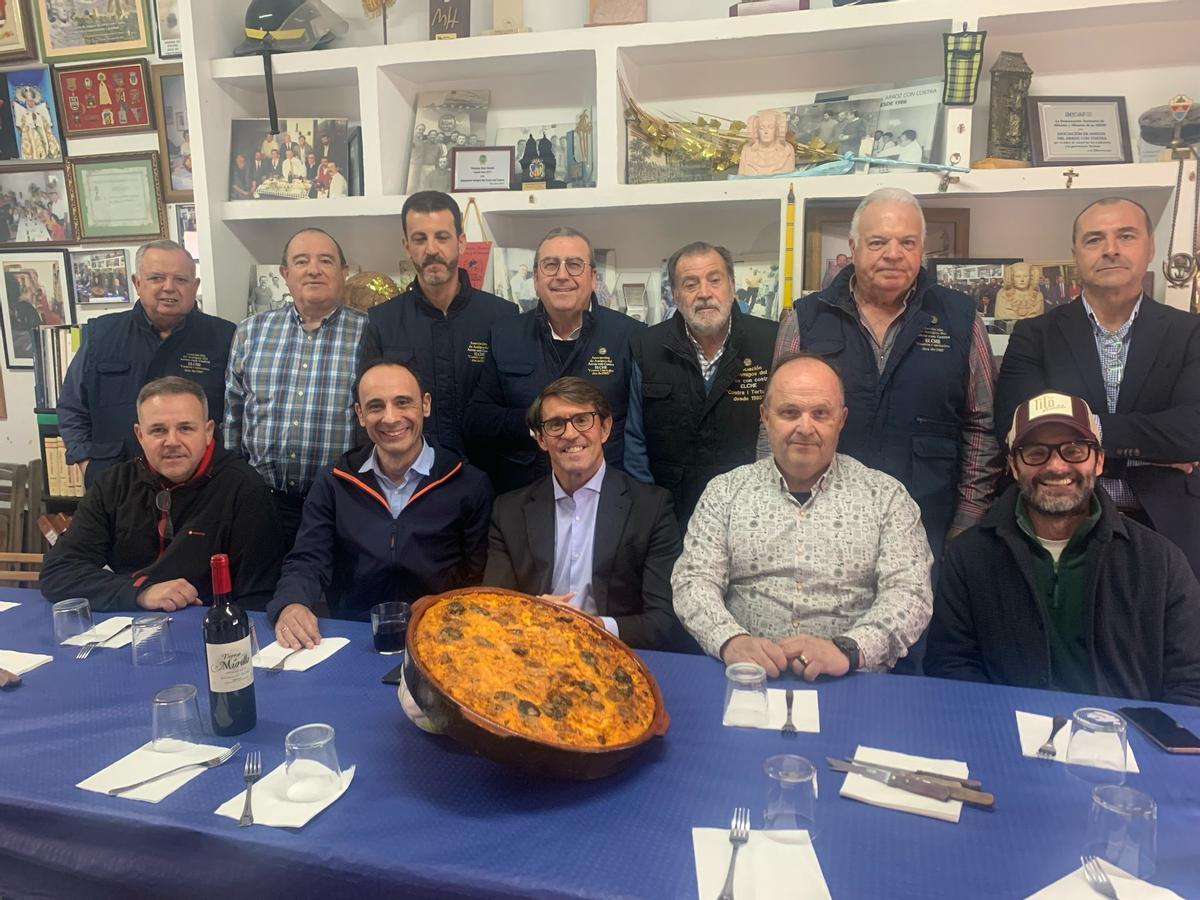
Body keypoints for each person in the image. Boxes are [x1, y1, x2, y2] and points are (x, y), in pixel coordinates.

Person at [765, 187, 1002, 564]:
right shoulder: (806, 319)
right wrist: (774, 509)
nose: (893, 254)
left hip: (930, 524)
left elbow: (983, 425)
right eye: (878, 242)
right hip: (820, 522)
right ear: (853, 247)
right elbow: (775, 423)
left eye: (907, 242)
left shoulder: (960, 319)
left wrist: (967, 519)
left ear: (922, 248)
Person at [926, 392, 1200, 705]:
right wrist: (1000, 724)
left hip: (1125, 732)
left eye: (1074, 451)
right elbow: (950, 665)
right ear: (1013, 466)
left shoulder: (1159, 561)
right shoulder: (970, 557)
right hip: (1001, 727)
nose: (1056, 467)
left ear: (1098, 461)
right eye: (1036, 453)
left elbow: (1191, 682)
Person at [673, 353, 933, 678]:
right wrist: (730, 641)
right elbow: (693, 581)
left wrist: (850, 650)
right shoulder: (724, 493)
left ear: (841, 419)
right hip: (744, 677)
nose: (805, 427)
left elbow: (911, 594)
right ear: (765, 417)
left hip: (853, 680)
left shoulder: (886, 497)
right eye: (790, 412)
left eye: (820, 413)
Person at [995, 197, 1200, 575]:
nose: (1110, 249)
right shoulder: (1034, 335)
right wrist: (1151, 448)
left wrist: (1077, 433)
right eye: (1094, 239)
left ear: (1150, 247)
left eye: (1126, 236)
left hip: (1170, 524)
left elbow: (1192, 431)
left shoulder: (1191, 333)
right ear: (1076, 254)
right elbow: (1016, 428)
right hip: (1058, 520)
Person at [269, 358, 492, 646]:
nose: (390, 418)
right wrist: (292, 603)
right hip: (353, 636)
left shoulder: (467, 483)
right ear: (360, 414)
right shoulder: (335, 481)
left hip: (442, 635)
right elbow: (308, 559)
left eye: (403, 403)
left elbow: (480, 579)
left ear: (425, 405)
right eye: (376, 406)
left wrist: (444, 604)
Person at [41, 377, 284, 612]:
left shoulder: (244, 489)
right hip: (130, 620)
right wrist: (141, 592)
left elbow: (257, 598)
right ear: (140, 435)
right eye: (158, 430)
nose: (172, 441)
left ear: (208, 431)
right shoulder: (112, 484)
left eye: (185, 428)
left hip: (206, 624)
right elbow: (58, 572)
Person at [484, 377, 689, 651]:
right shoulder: (508, 512)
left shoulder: (651, 508)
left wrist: (595, 626)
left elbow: (663, 622)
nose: (570, 434)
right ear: (541, 439)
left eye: (582, 420)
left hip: (616, 652)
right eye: (556, 424)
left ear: (605, 428)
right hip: (532, 648)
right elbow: (493, 609)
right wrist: (533, 612)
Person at [463, 226, 644, 494]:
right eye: (550, 265)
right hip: (525, 495)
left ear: (593, 277)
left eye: (574, 265)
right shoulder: (505, 336)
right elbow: (477, 418)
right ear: (536, 279)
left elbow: (642, 432)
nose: (562, 275)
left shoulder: (631, 336)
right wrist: (538, 422)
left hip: (607, 495)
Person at [224, 227, 367, 549]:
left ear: (344, 272)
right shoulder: (251, 332)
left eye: (326, 261)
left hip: (341, 504)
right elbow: (232, 417)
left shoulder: (368, 332)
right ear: (285, 274)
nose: (314, 270)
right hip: (262, 503)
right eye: (301, 261)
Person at [58, 240, 234, 490]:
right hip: (115, 481)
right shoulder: (102, 334)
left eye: (181, 279)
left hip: (201, 486)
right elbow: (72, 407)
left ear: (195, 286)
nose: (169, 287)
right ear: (137, 283)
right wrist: (86, 462)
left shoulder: (224, 337)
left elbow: (237, 413)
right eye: (157, 278)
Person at [625, 242, 778, 524]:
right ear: (675, 295)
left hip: (749, 512)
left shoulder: (770, 343)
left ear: (732, 286)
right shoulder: (646, 347)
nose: (705, 293)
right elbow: (635, 442)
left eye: (714, 280)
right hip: (668, 515)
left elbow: (781, 434)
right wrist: (649, 514)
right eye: (690, 284)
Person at [360, 191, 516, 459]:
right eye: (420, 239)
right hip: (412, 476)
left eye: (442, 237)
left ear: (461, 242)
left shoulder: (502, 316)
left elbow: (513, 404)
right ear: (407, 246)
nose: (431, 250)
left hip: (490, 474)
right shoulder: (382, 322)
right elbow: (368, 408)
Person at [738, 109, 794, 176]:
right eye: (761, 128)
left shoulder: (787, 150)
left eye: (771, 127)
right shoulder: (747, 151)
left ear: (777, 129)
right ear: (756, 130)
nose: (766, 132)